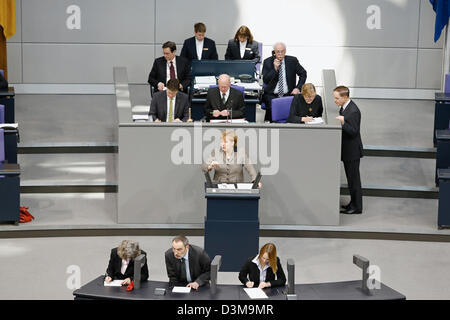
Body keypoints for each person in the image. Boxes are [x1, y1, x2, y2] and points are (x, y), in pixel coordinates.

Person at [334, 85, 363, 214]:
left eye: (337, 98)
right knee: (351, 180)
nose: (335, 100)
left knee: (354, 180)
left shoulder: (353, 111)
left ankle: (357, 207)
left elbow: (354, 131)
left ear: (345, 97)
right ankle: (353, 203)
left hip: (352, 151)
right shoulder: (344, 107)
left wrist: (343, 122)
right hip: (348, 150)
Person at [262, 42, 307, 122]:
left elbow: (303, 74)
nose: (280, 54)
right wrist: (275, 69)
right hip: (272, 94)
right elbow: (265, 79)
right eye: (278, 51)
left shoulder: (292, 61)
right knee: (274, 111)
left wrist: (298, 88)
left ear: (285, 51)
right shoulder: (267, 62)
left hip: (288, 93)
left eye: (282, 51)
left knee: (293, 113)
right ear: (274, 52)